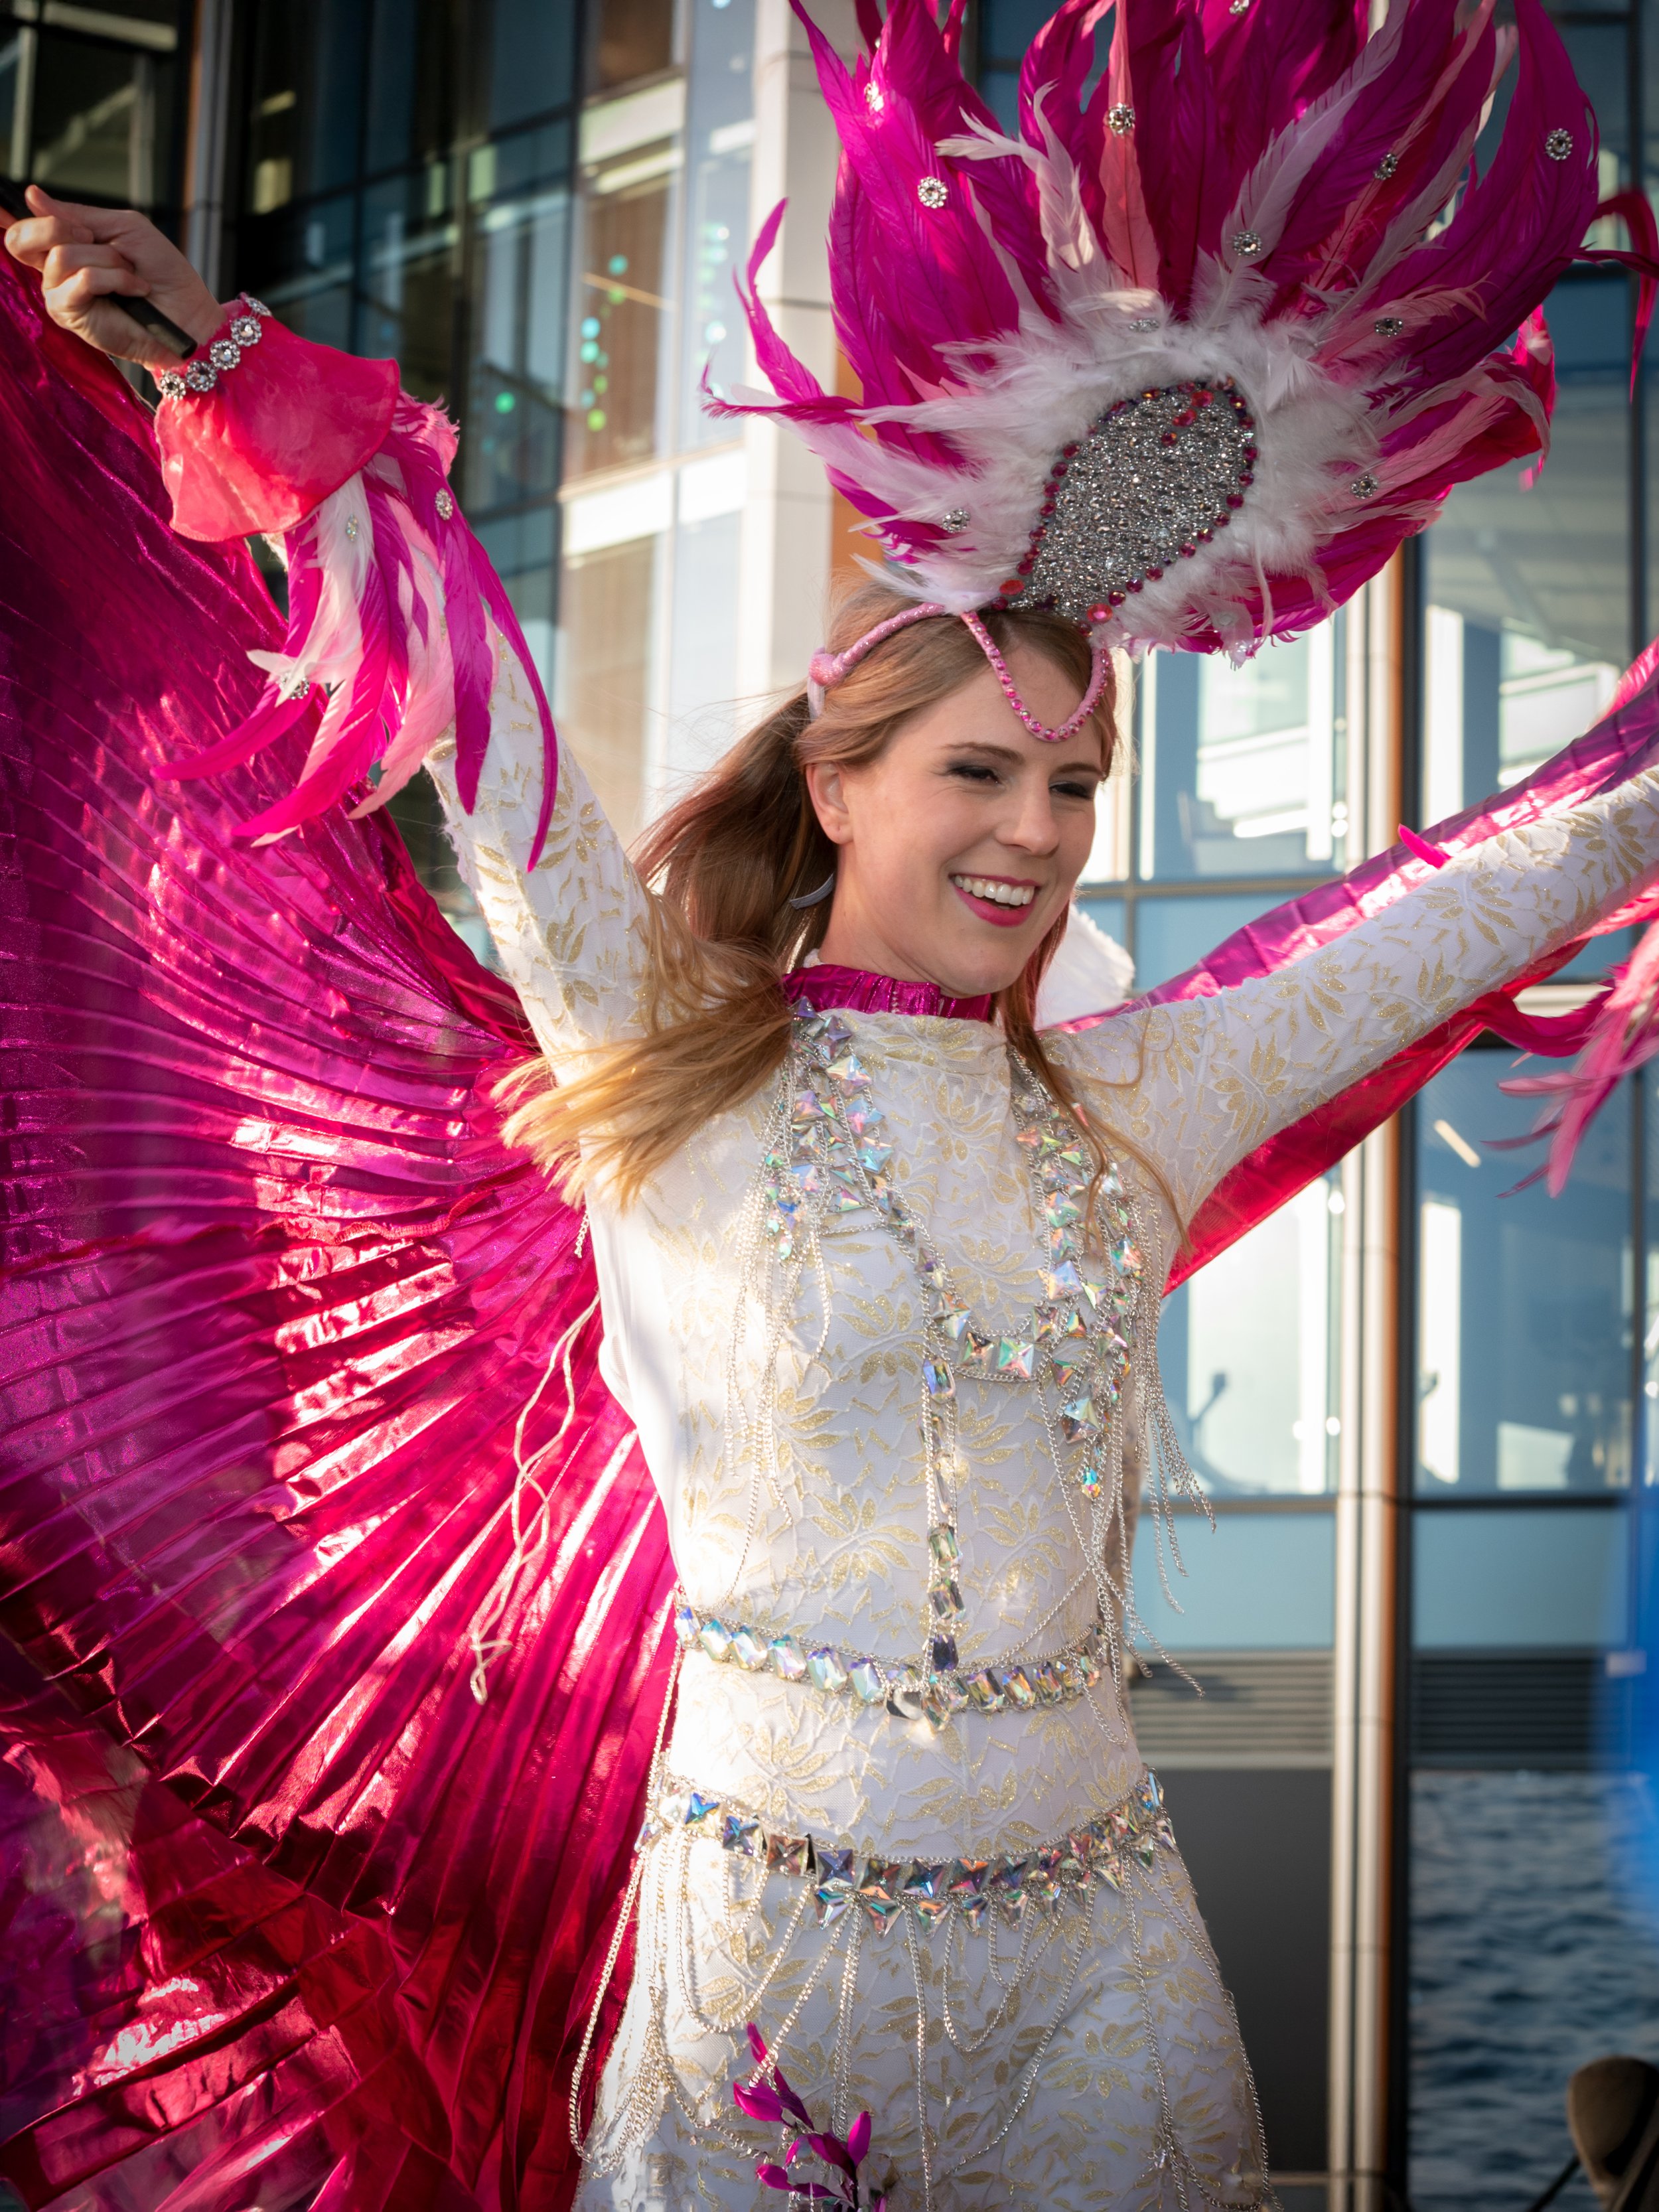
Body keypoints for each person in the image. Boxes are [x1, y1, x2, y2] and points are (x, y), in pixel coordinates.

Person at [7, 1, 1659, 2208]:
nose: (1037, 832)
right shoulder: (652, 1061)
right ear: (838, 784)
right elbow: (475, 730)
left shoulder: (1144, 1102)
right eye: (979, 773)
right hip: (771, 1984)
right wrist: (226, 371)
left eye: (1072, 784)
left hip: (1109, 1971)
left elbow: (1502, 882)